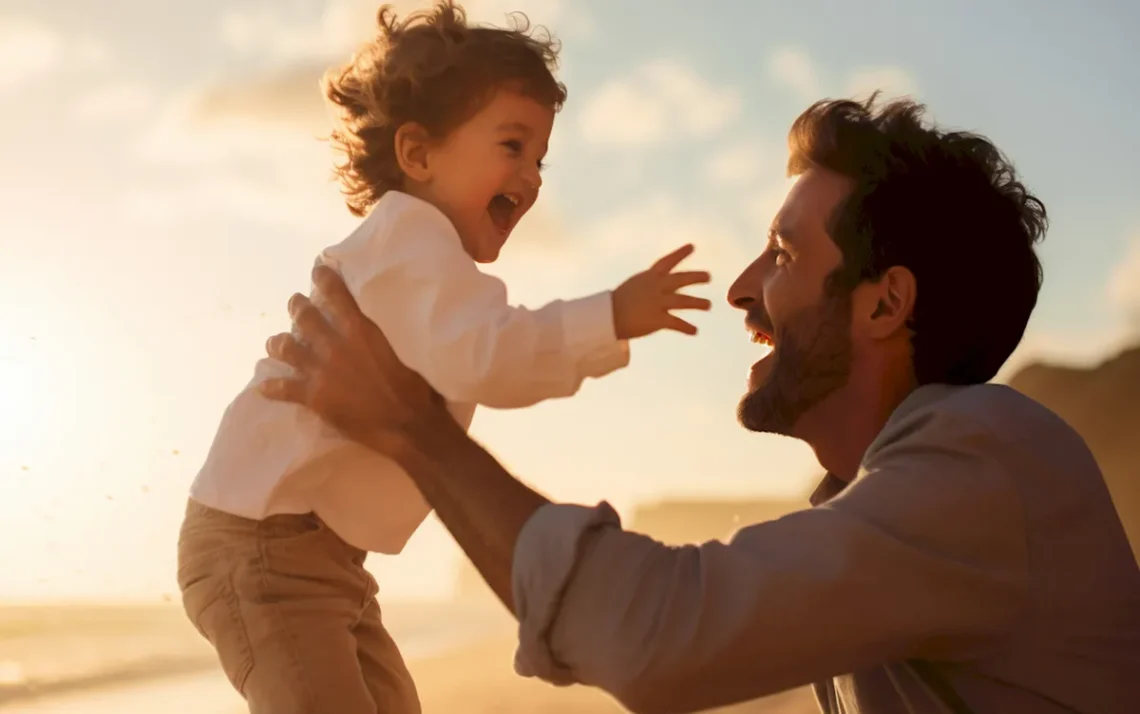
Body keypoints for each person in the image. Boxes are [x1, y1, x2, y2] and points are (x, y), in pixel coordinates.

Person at [260, 95, 1140, 713]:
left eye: (783, 256)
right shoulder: (901, 498)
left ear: (884, 303)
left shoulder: (983, 463)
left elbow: (663, 637)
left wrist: (410, 427)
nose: (743, 290)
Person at [175, 3, 711, 713]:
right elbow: (486, 356)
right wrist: (608, 316)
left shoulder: (430, 260)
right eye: (511, 145)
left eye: (540, 156)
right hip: (262, 549)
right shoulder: (410, 241)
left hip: (320, 557)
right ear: (418, 154)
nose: (533, 176)